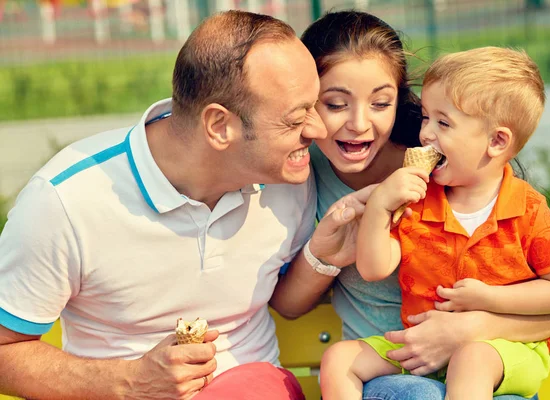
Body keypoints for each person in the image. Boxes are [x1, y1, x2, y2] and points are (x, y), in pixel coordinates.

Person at [0, 10, 364, 400]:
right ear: (219, 126)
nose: (317, 130)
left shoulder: (291, 178)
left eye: (315, 106)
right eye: (294, 120)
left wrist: (324, 254)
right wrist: (130, 382)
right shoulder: (66, 201)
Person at [271, 10, 550, 400]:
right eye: (336, 104)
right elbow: (295, 303)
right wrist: (328, 250)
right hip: (393, 364)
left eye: (380, 103)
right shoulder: (300, 173)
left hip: (485, 362)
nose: (358, 124)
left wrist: (470, 329)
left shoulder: (456, 176)